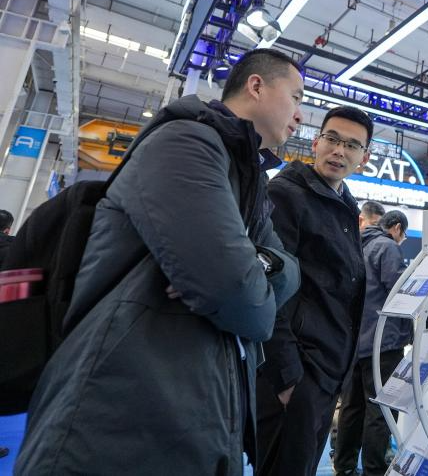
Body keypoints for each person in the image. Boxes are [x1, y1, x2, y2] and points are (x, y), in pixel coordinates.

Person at [15, 48, 303, 474]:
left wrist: (250, 265)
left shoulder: (250, 181)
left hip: (191, 413)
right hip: (115, 419)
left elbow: (288, 271)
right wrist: (242, 275)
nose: (300, 115)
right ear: (256, 86)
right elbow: (241, 297)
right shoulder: (186, 142)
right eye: (296, 97)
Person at [256, 105, 375, 476]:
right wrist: (287, 376)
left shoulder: (344, 204)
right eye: (332, 139)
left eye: (351, 145)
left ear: (364, 157)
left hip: (327, 374)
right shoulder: (286, 195)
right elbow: (267, 289)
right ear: (316, 142)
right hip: (298, 375)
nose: (339, 151)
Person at [335, 210, 411, 476]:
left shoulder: (358, 243)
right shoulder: (387, 247)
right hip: (383, 342)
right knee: (381, 410)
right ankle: (374, 470)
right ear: (397, 228)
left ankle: (344, 467)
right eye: (403, 236)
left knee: (352, 408)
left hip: (355, 342)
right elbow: (400, 293)